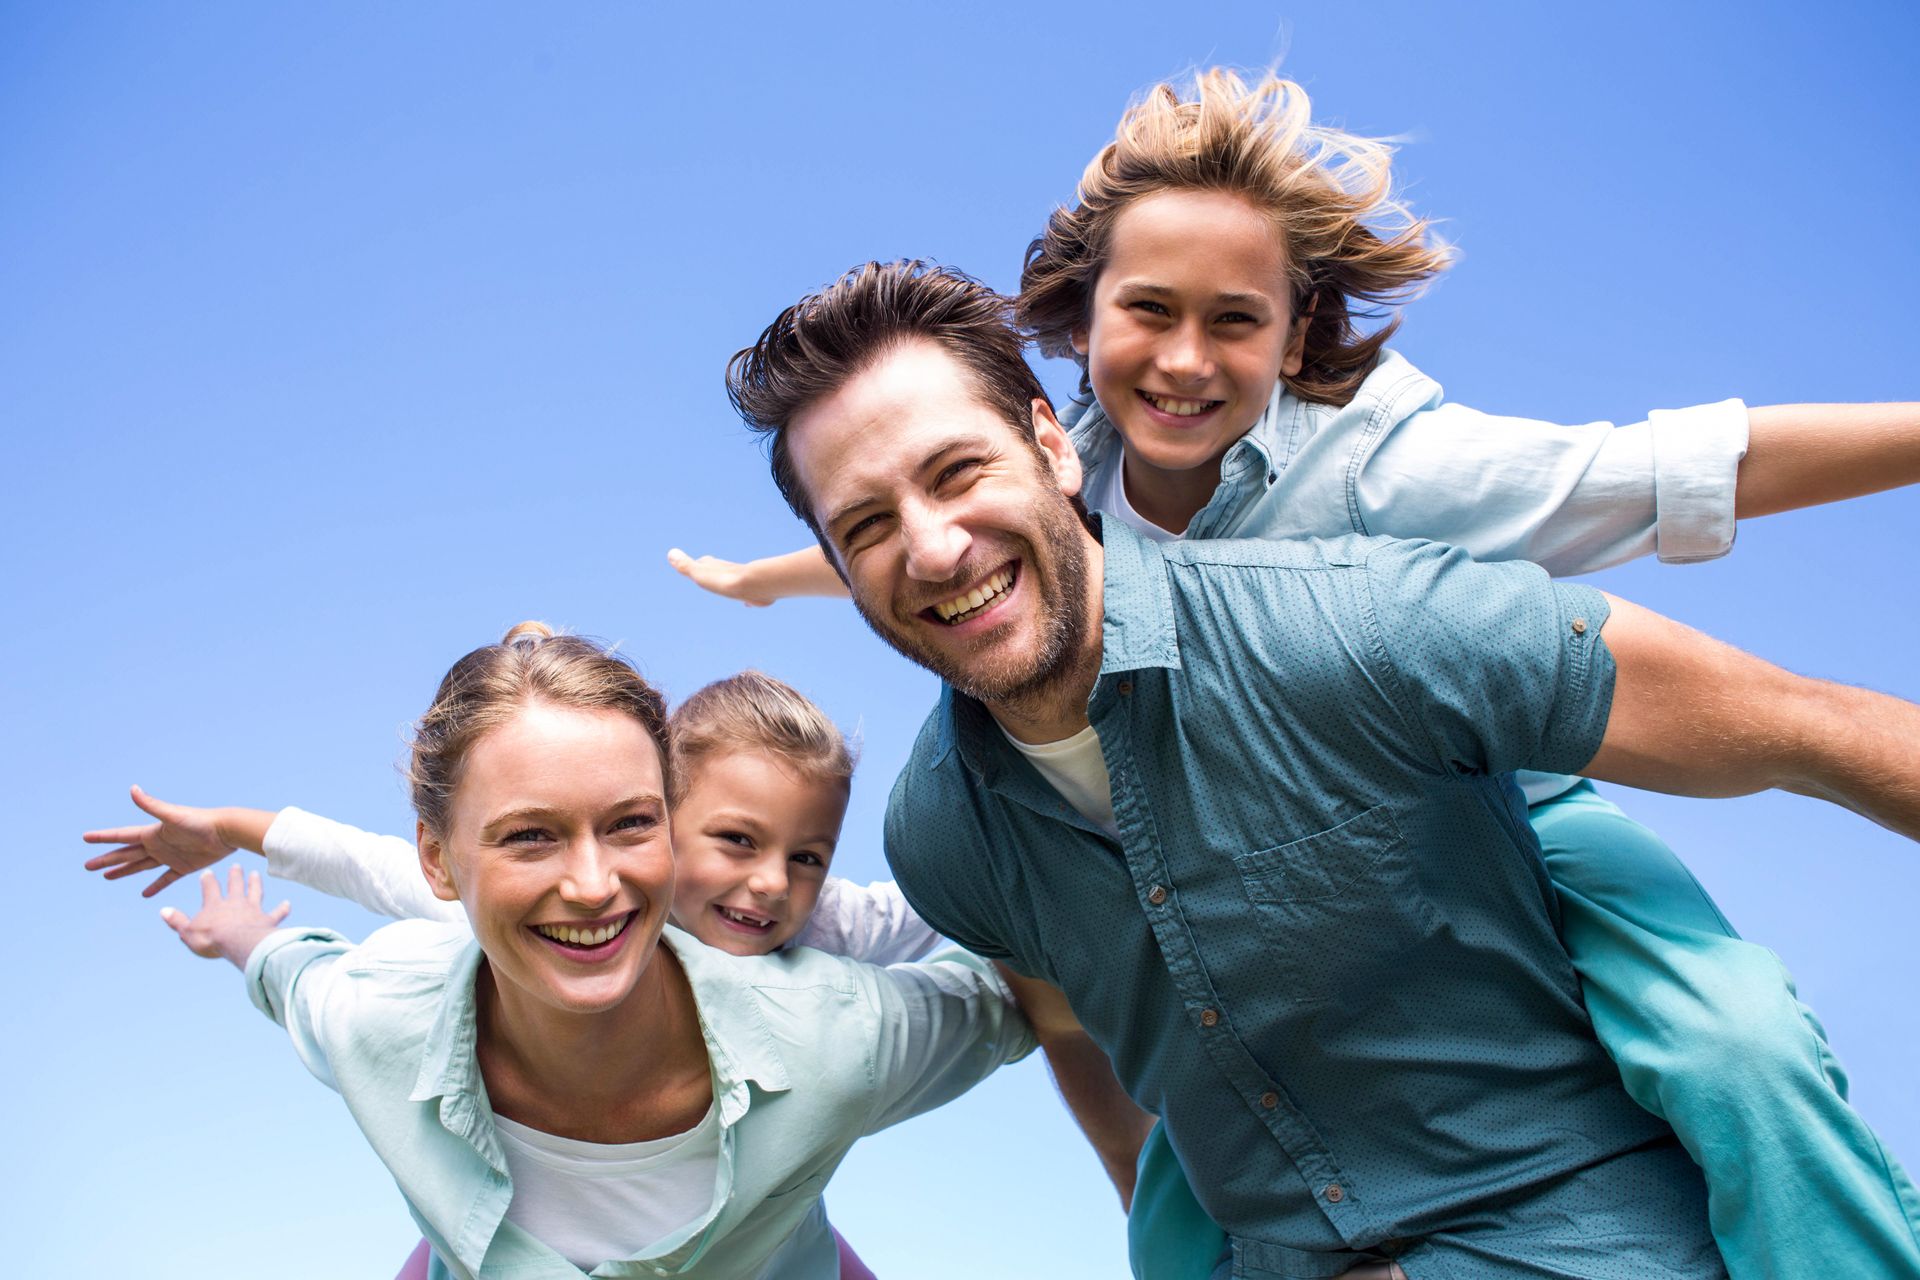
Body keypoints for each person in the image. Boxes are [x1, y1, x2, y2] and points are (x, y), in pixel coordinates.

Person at [672, 70, 1920, 1279]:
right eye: (1149, 312)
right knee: (1174, 1201)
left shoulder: (1384, 520)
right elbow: (926, 549)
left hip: (1520, 814)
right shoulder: (963, 804)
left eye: (1235, 321)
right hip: (1275, 1155)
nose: (1184, 361)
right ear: (1082, 335)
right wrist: (767, 577)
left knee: (1737, 1044)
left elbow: (1695, 503)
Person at [106, 625, 1030, 1279]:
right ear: (443, 860)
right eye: (530, 837)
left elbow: (1002, 977)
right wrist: (240, 909)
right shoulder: (383, 1011)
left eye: (630, 825)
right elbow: (300, 963)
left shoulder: (835, 1012)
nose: (592, 886)